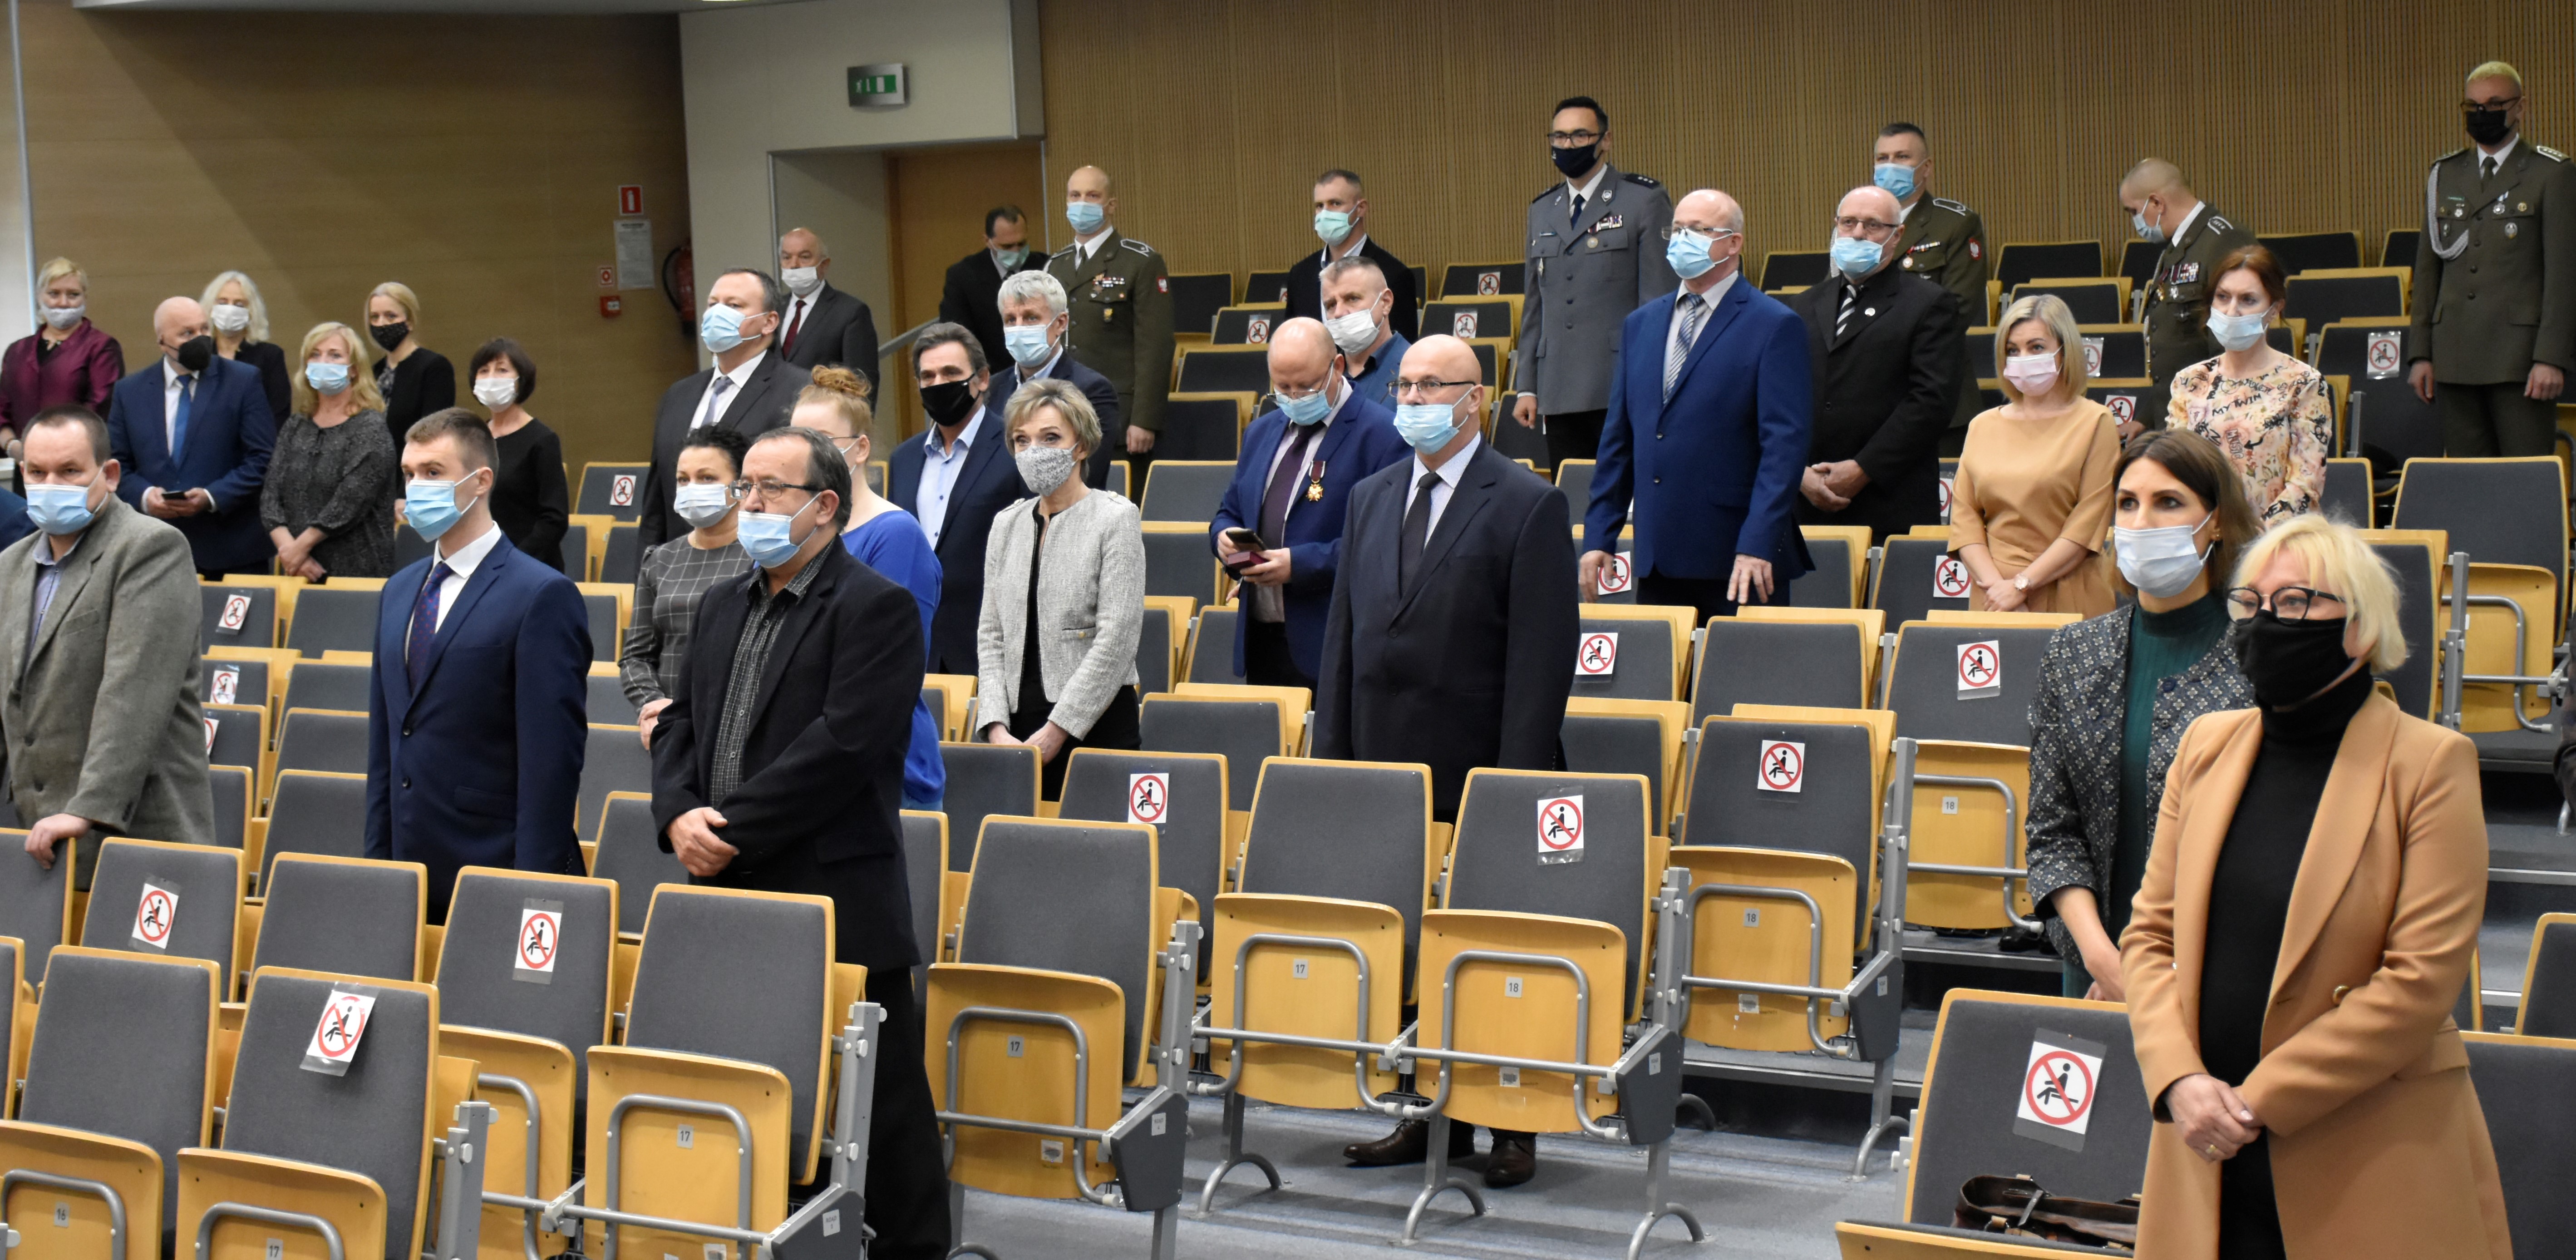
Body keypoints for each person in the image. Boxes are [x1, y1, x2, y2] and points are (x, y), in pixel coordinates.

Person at [2123, 512, 2507, 1260]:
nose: (2266, 622)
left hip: (2366, 1153)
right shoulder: (2204, 746)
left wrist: (2252, 1101)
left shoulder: (2430, 764)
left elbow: (2420, 981)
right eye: (2251, 603)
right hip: (2203, 1148)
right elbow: (2149, 937)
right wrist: (2177, 1079)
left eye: (2295, 602)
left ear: (2359, 629)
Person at [650, 426, 953, 1259]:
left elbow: (844, 747)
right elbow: (678, 723)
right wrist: (677, 813)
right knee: (745, 1082)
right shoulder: (722, 602)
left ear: (824, 505)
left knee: (884, 1114)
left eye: (769, 489)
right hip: (728, 887)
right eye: (745, 486)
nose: (748, 502)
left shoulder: (874, 607)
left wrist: (726, 831)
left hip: (835, 895)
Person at [1317, 333, 1577, 1188]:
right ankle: (1425, 1111)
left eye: (1433, 385)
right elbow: (1344, 641)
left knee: (1491, 951)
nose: (1414, 399)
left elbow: (1541, 663)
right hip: (1386, 767)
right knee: (1410, 946)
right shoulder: (1369, 495)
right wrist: (1335, 766)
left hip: (1480, 768)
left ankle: (1510, 1121)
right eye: (1405, 385)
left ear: (1476, 399)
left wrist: (1509, 790)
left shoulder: (1527, 502)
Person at [2025, 430, 2258, 999]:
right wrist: (2104, 961)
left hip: (2216, 973)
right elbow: (2051, 833)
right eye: (2127, 503)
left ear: (2217, 522)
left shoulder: (2259, 658)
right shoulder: (2071, 653)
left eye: (2168, 502)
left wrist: (2159, 970)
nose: (2141, 522)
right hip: (2095, 971)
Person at [365, 409, 589, 923]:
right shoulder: (398, 590)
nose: (416, 487)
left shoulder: (541, 593)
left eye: (434, 472)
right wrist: (378, 866)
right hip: (407, 869)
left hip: (495, 866)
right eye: (410, 474)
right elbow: (386, 744)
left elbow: (551, 764)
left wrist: (531, 889)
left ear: (481, 481)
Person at [1, 405, 214, 882]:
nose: (51, 485)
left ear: (110, 475)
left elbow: (134, 692)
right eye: (37, 472)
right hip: (42, 845)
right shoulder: (9, 566)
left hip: (141, 837)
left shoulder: (150, 548)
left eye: (70, 471)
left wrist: (87, 808)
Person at [1583, 189, 1812, 623]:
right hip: (1658, 555)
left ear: (1733, 243)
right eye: (1678, 230)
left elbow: (1783, 449)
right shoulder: (1640, 325)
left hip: (1738, 558)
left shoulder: (1774, 324)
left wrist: (1758, 542)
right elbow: (1620, 439)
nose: (1682, 240)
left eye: (1698, 230)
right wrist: (1599, 534)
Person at [1208, 317, 1408, 691]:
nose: (1294, 398)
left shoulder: (1382, 435)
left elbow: (1385, 546)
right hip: (1262, 639)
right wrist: (1223, 539)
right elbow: (1229, 511)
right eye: (1282, 388)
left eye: (1306, 386)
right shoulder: (1260, 431)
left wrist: (1298, 565)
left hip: (1335, 644)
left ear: (1337, 366)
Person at [975, 378, 1145, 799]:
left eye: (1050, 438)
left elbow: (1117, 640)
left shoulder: (1115, 518)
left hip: (1097, 725)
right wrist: (994, 725)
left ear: (1081, 446)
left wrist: (1058, 729)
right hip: (1015, 729)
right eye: (1022, 440)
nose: (1034, 450)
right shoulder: (1006, 524)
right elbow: (991, 635)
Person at [795, 365, 946, 811]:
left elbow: (884, 669)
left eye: (822, 440)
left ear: (860, 449)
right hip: (808, 756)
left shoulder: (894, 534)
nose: (807, 454)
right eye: (798, 440)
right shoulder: (793, 534)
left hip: (883, 767)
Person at [2408, 60, 2575, 459]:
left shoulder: (2551, 173)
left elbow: (2563, 277)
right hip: (2454, 356)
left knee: (2525, 477)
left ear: (2520, 107)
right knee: (2468, 480)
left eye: (2495, 104)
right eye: (2473, 106)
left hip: (2520, 360)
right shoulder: (2445, 174)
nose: (2482, 114)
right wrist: (2420, 354)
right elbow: (2428, 271)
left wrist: (2550, 358)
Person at [1785, 185, 1967, 543]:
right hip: (1805, 500)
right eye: (1848, 222)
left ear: (1897, 235)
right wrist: (1798, 473)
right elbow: (1780, 398)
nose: (1857, 234)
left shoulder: (1929, 304)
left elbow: (1931, 402)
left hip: (1889, 500)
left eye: (1872, 225)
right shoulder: (1802, 305)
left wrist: (1862, 469)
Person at [1513, 95, 1677, 470]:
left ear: (1605, 140)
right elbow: (1535, 304)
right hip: (1558, 386)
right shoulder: (1542, 209)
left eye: (1580, 136)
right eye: (1559, 137)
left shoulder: (1642, 199)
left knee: (1626, 493)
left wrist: (1650, 381)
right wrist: (1526, 386)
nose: (1568, 145)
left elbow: (1658, 302)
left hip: (1619, 383)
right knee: (1572, 492)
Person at [1949, 294, 2121, 616]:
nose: (2022, 358)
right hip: (1992, 598)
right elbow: (1965, 521)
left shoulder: (2095, 421)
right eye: (2012, 350)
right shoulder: (1982, 425)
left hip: (2067, 590)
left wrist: (2021, 587)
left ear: (2064, 351)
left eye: (2036, 347)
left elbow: (2086, 526)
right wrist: (1999, 591)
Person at [887, 323, 1030, 675]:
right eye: (928, 376)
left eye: (951, 373)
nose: (939, 384)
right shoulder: (903, 459)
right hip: (915, 647)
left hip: (989, 648)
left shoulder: (1016, 448)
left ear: (982, 379)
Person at [103, 296, 276, 578]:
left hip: (232, 551)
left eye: (204, 329)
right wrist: (146, 497)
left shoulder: (243, 381)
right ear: (162, 342)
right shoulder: (130, 391)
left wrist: (211, 496)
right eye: (187, 333)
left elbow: (263, 458)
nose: (200, 339)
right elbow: (115, 464)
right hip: (154, 553)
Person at [638, 269, 810, 548]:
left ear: (769, 322)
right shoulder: (678, 395)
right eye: (712, 304)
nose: (717, 314)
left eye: (734, 305)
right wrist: (648, 567)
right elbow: (657, 503)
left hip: (758, 557)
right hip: (678, 559)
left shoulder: (800, 391)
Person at [2166, 246, 2334, 523]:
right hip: (2204, 534)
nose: (2232, 311)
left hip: (2278, 539)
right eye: (2223, 297)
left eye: (2248, 300)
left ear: (2275, 309)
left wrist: (2255, 539)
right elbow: (2175, 471)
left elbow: (2305, 485)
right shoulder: (2190, 380)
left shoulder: (2304, 383)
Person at [621, 427, 753, 749]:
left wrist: (687, 711)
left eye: (707, 478)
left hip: (735, 728)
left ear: (741, 487)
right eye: (683, 480)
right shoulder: (659, 559)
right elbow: (636, 657)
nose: (692, 488)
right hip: (666, 729)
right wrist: (653, 706)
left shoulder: (761, 557)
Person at [1045, 165, 1172, 475]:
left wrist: (1144, 419)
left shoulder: (1139, 261)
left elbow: (1155, 346)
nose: (1082, 203)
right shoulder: (1055, 266)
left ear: (1111, 204)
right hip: (1061, 416)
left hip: (1118, 418)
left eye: (1092, 196)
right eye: (1075, 196)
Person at [2123, 160, 2259, 437]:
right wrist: (2147, 420)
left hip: (2212, 426)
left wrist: (2210, 429)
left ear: (2156, 203)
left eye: (2134, 211)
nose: (2135, 221)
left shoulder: (2224, 241)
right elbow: (2179, 352)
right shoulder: (2180, 248)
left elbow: (2233, 350)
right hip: (2180, 423)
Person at [261, 322, 398, 581]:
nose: (324, 362)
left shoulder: (370, 427)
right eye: (315, 355)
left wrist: (299, 549)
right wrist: (291, 552)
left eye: (335, 355)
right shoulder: (296, 425)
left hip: (356, 570)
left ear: (354, 369)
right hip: (297, 570)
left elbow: (350, 502)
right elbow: (271, 498)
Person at [991, 270, 1123, 488]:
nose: (1019, 328)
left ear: (1061, 323)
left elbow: (1087, 477)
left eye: (1031, 318)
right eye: (1011, 320)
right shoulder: (993, 388)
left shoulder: (1092, 390)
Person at [1282, 169, 1419, 343]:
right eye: (1320, 206)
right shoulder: (1300, 275)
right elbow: (1292, 342)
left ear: (1360, 208)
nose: (1325, 214)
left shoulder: (1394, 274)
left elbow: (1404, 348)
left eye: (1335, 203)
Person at [469, 338, 571, 572]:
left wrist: (514, 561)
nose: (491, 378)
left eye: (502, 370)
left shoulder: (542, 440)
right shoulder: (473, 438)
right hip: (479, 564)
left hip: (529, 566)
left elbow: (554, 518)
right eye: (484, 371)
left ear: (520, 380)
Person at [1872, 123, 1988, 323]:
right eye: (1883, 158)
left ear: (1926, 168)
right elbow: (1833, 296)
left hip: (1924, 340)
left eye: (1902, 157)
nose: (1890, 166)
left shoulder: (1956, 225)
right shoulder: (1856, 224)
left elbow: (1958, 308)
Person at [0, 257, 122, 447]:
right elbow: (2, 408)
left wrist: (57, 448)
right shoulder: (17, 351)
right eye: (54, 294)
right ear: (39, 296)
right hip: (26, 458)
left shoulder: (102, 347)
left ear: (85, 298)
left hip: (78, 454)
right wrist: (11, 446)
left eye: (73, 295)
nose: (63, 303)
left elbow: (99, 409)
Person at [775, 227, 883, 397]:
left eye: (804, 257)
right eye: (787, 257)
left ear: (824, 265)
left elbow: (861, 383)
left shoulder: (851, 312)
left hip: (822, 409)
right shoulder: (773, 309)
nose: (794, 265)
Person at [939, 205, 1044, 371]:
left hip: (1042, 369)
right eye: (1007, 247)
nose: (1016, 251)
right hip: (990, 373)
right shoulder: (963, 276)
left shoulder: (1046, 267)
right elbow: (957, 335)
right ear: (988, 241)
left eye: (1022, 244)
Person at [365, 282, 456, 453]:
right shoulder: (374, 372)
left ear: (410, 322)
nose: (382, 324)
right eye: (375, 317)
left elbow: (434, 433)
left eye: (391, 316)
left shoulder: (434, 368)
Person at [202, 270, 291, 425]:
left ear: (251, 311)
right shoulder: (200, 355)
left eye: (239, 304)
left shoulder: (270, 356)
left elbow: (279, 414)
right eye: (222, 302)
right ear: (211, 308)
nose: (230, 310)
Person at [1323, 256, 1411, 408]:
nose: (1338, 313)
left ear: (1386, 302)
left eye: (1352, 299)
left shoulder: (1418, 365)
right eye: (1331, 305)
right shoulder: (1322, 376)